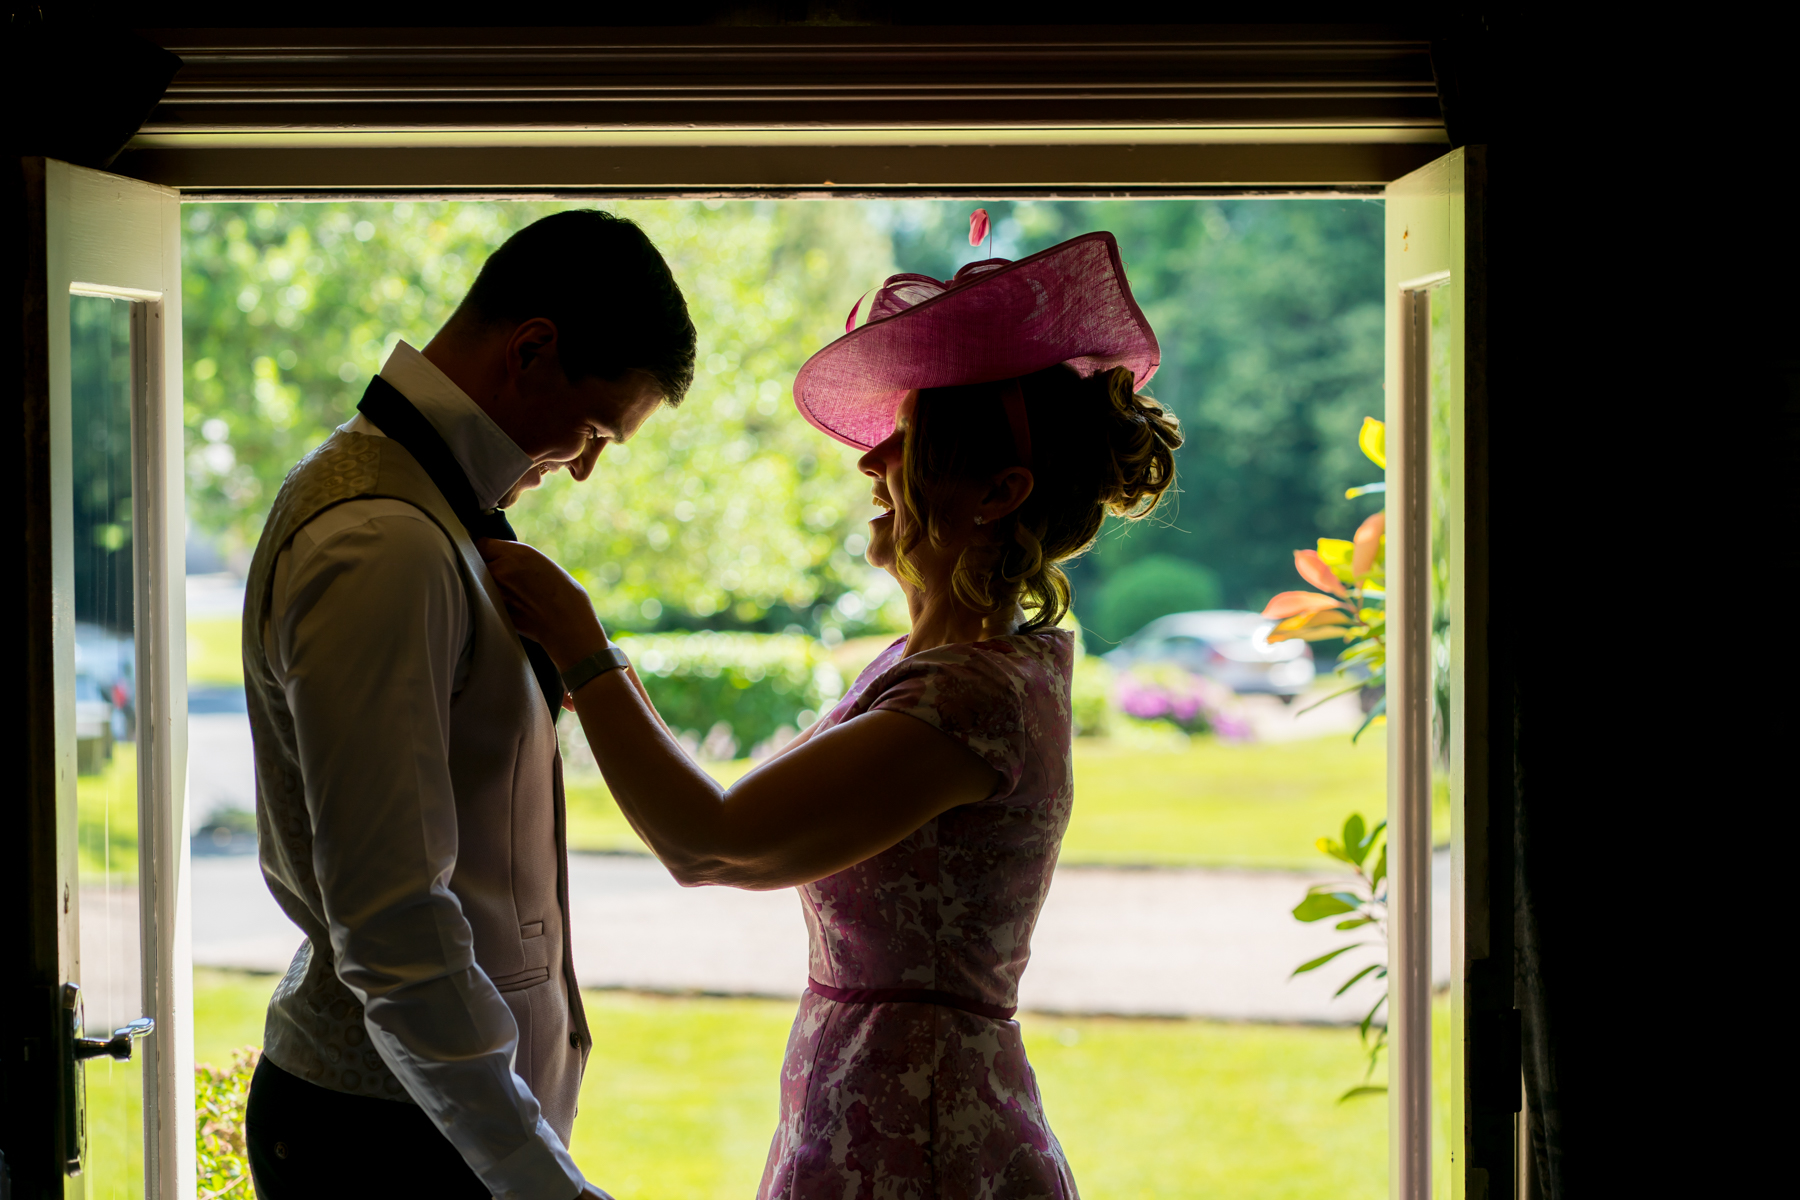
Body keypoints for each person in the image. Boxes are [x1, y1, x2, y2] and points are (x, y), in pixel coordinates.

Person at [479, 231, 1181, 1199]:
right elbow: (728, 817)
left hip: (917, 1132)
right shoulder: (928, 667)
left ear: (1001, 492)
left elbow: (710, 842)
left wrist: (582, 647)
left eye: (911, 440)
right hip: (871, 1093)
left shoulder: (971, 698)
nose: (872, 463)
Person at [241, 210, 696, 1200]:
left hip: (432, 1125)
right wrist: (541, 1182)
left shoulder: (425, 512)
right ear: (531, 351)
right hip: (391, 1142)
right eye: (592, 432)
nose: (582, 468)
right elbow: (393, 915)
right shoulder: (384, 543)